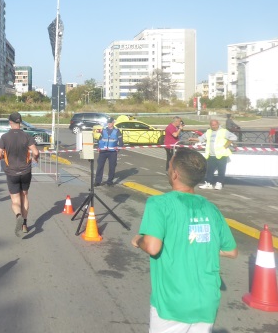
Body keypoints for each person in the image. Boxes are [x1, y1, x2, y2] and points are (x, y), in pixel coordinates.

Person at [131, 148, 238, 331]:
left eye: (169, 165)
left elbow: (153, 246)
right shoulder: (211, 209)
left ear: (175, 174)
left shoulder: (159, 204)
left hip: (173, 303)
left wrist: (138, 240)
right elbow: (231, 251)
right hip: (207, 301)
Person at [0, 112, 40, 237]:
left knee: (15, 199)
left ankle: (18, 215)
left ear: (10, 122)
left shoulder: (4, 137)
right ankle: (24, 224)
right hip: (26, 171)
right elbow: (35, 152)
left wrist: (3, 155)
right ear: (20, 122)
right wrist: (36, 159)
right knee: (24, 196)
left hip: (12, 172)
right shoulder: (27, 136)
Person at [190, 119, 237, 190]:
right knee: (209, 170)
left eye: (215, 125)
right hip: (211, 155)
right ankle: (208, 183)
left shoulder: (223, 131)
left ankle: (219, 183)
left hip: (221, 154)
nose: (214, 126)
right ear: (210, 125)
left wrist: (226, 145)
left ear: (218, 124)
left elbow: (233, 137)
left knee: (221, 170)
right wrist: (192, 139)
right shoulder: (209, 132)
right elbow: (201, 138)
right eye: (212, 125)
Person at [95, 117, 123, 186]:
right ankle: (98, 181)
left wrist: (118, 149)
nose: (109, 124)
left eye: (110, 123)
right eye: (108, 123)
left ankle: (109, 181)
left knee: (112, 167)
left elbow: (121, 142)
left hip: (112, 152)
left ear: (113, 123)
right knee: (100, 166)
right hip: (103, 151)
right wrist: (98, 147)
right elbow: (100, 139)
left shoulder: (117, 131)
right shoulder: (104, 130)